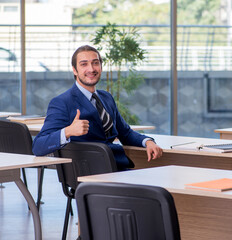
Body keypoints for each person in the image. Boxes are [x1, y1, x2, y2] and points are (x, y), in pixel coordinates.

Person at [32, 45, 163, 170]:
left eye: (95, 63)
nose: (91, 69)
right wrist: (68, 131)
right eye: (84, 64)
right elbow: (38, 146)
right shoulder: (62, 102)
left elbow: (125, 133)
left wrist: (147, 142)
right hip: (88, 172)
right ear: (74, 70)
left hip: (116, 166)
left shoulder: (106, 98)